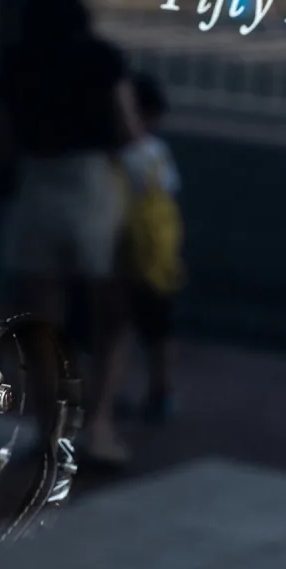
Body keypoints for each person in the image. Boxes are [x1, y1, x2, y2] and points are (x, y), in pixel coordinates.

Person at [0, 0, 141, 467]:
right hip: (93, 187)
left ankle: (49, 432)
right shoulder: (103, 57)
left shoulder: (15, 59)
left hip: (37, 185)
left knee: (44, 325)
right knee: (111, 317)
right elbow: (128, 129)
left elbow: (2, 135)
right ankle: (99, 427)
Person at [119, 74, 184, 423]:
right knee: (158, 328)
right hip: (156, 254)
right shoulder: (157, 152)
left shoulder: (122, 154)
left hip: (125, 251)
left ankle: (119, 389)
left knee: (118, 324)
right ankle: (163, 390)